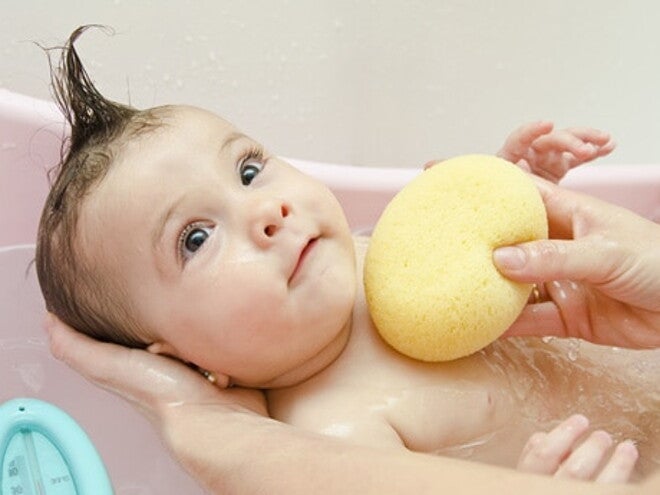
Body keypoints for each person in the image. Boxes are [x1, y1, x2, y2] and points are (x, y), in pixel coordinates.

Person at [37, 26, 658, 492]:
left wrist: (515, 189)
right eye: (196, 238)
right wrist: (537, 482)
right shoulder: (334, 432)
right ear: (184, 357)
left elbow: (489, 267)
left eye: (249, 170)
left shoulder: (371, 253)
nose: (267, 212)